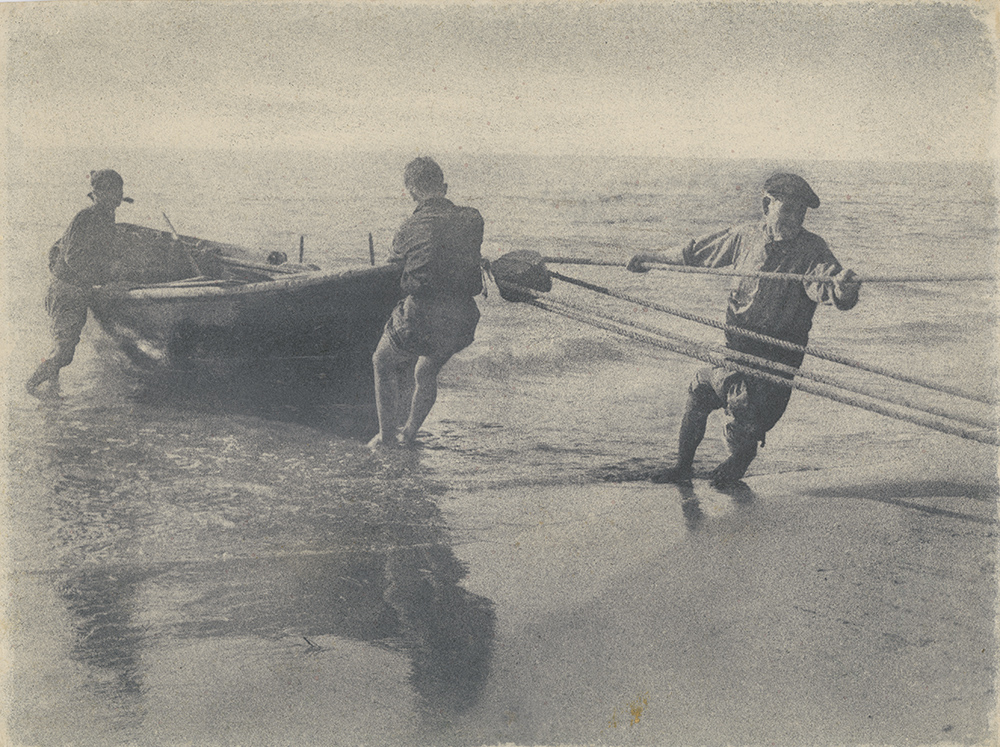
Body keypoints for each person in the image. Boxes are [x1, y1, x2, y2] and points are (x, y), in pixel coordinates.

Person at [627, 173, 861, 486]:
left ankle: (741, 457)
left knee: (742, 421)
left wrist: (844, 290)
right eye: (787, 210)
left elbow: (826, 286)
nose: (795, 219)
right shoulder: (745, 236)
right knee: (698, 391)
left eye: (801, 213)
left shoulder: (812, 250)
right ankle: (682, 467)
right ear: (767, 205)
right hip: (733, 351)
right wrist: (649, 258)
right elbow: (695, 254)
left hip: (773, 364)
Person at [368, 157, 485, 449]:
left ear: (411, 191)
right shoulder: (473, 218)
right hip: (463, 320)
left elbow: (395, 256)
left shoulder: (409, 226)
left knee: (381, 362)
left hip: (423, 317)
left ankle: (386, 438)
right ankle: (409, 432)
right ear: (444, 187)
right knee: (425, 370)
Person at [25, 169, 133, 398]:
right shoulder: (86, 217)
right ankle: (31, 388)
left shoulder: (106, 218)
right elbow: (72, 257)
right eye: (111, 190)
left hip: (77, 289)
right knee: (65, 354)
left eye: (119, 190)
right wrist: (100, 284)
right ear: (97, 193)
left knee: (63, 345)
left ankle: (52, 393)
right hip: (67, 291)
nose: (117, 195)